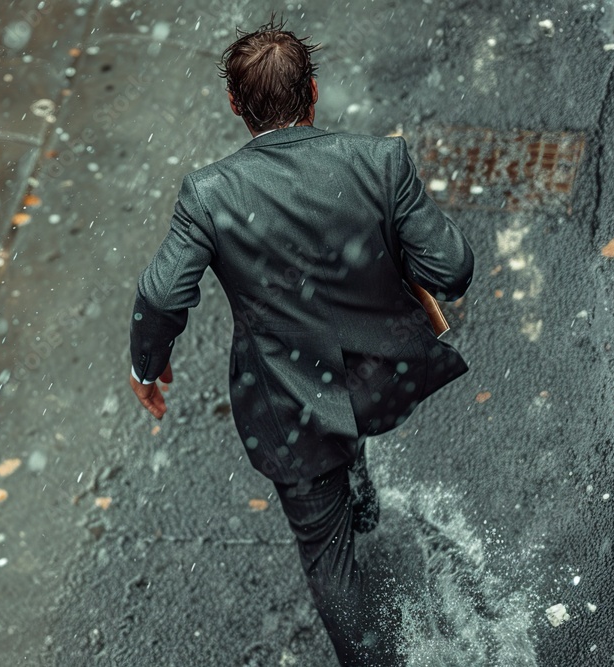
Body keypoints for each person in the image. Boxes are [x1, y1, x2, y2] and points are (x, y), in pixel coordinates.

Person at [127, 15, 474, 667]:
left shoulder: (208, 195)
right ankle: (364, 501)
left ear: (236, 107)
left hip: (289, 406)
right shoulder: (379, 162)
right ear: (313, 93)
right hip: (373, 374)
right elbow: (451, 269)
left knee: (326, 556)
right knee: (348, 424)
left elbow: (161, 295)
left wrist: (149, 365)